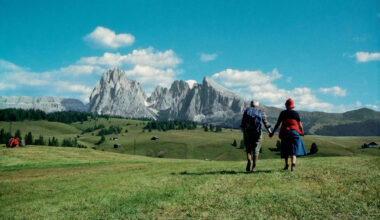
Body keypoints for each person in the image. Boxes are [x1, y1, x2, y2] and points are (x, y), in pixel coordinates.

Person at [270, 98, 307, 171]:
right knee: (294, 150)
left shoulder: (283, 113)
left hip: (285, 132)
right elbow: (300, 125)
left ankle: (286, 166)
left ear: (286, 106)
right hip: (294, 132)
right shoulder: (295, 113)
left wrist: (272, 132)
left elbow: (277, 124)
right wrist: (302, 132)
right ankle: (293, 166)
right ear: (292, 106)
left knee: (286, 149)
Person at [241, 100, 272, 172]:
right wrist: (270, 132)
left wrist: (244, 130)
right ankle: (254, 167)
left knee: (248, 148)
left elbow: (243, 122)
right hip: (257, 133)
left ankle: (249, 161)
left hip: (248, 132)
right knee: (256, 150)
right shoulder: (260, 111)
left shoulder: (247, 111)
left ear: (251, 105)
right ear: (257, 105)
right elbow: (265, 123)